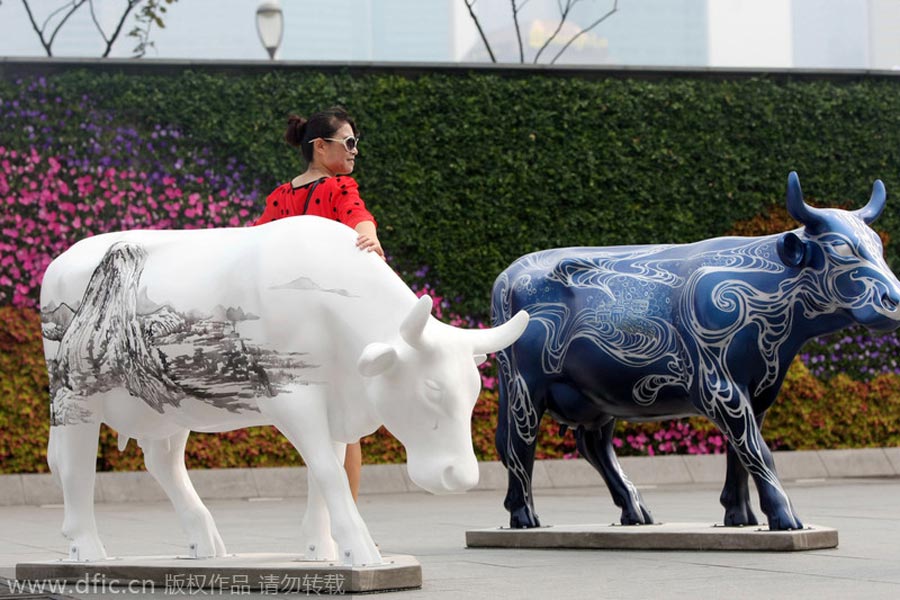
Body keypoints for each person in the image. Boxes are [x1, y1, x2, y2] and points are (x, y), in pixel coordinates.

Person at [255, 106, 383, 502]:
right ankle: (347, 517)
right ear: (320, 146)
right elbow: (357, 215)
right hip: (332, 324)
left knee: (319, 425)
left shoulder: (279, 197)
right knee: (346, 426)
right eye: (348, 142)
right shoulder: (339, 188)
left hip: (289, 327)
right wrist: (369, 237)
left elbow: (255, 243)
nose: (354, 151)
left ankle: (333, 518)